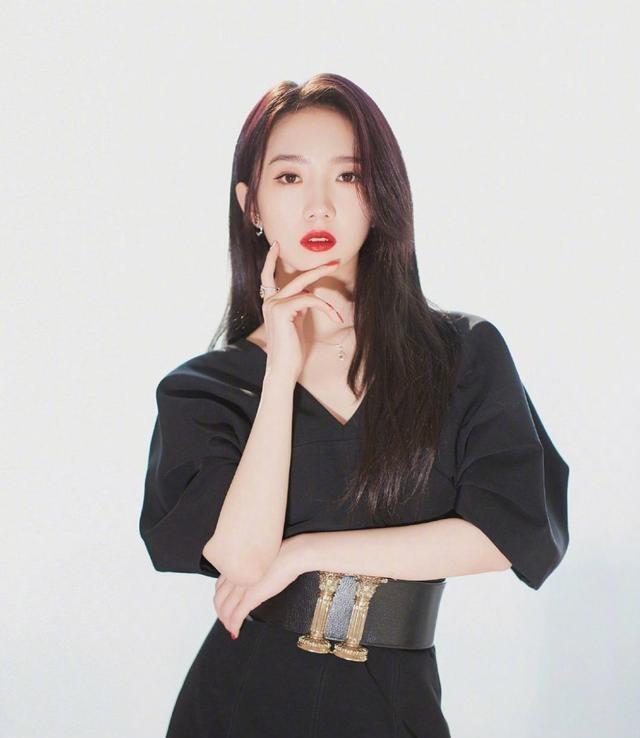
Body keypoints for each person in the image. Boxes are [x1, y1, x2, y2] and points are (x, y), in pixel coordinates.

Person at [139, 73, 570, 738]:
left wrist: (306, 552)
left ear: (380, 196)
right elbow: (243, 561)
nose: (320, 206)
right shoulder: (208, 388)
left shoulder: (460, 355)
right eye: (290, 178)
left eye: (348, 177)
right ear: (251, 205)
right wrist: (280, 372)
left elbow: (503, 535)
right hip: (242, 702)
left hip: (394, 702)